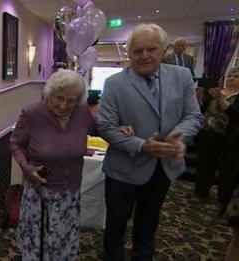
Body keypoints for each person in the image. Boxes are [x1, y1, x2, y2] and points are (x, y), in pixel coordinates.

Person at [97, 23, 203, 260]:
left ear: (163, 49)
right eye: (137, 50)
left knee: (148, 224)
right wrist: (141, 145)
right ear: (129, 54)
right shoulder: (114, 83)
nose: (144, 55)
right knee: (116, 225)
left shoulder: (182, 76)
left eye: (151, 49)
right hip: (123, 170)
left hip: (162, 168)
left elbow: (193, 116)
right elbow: (105, 126)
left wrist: (178, 136)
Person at [10, 69, 97, 260]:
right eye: (59, 98)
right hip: (40, 194)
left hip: (69, 193)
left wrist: (121, 127)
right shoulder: (32, 114)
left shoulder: (82, 113)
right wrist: (27, 168)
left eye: (71, 100)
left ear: (78, 100)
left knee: (64, 241)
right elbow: (15, 144)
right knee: (37, 243)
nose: (64, 105)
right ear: (49, 94)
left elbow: (99, 129)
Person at [194, 66, 239, 200]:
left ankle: (222, 198)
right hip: (209, 134)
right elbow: (203, 110)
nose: (231, 78)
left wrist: (221, 100)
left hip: (230, 138)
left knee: (227, 169)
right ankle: (200, 192)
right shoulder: (217, 92)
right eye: (230, 76)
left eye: (236, 76)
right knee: (205, 165)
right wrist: (199, 97)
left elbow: (236, 116)